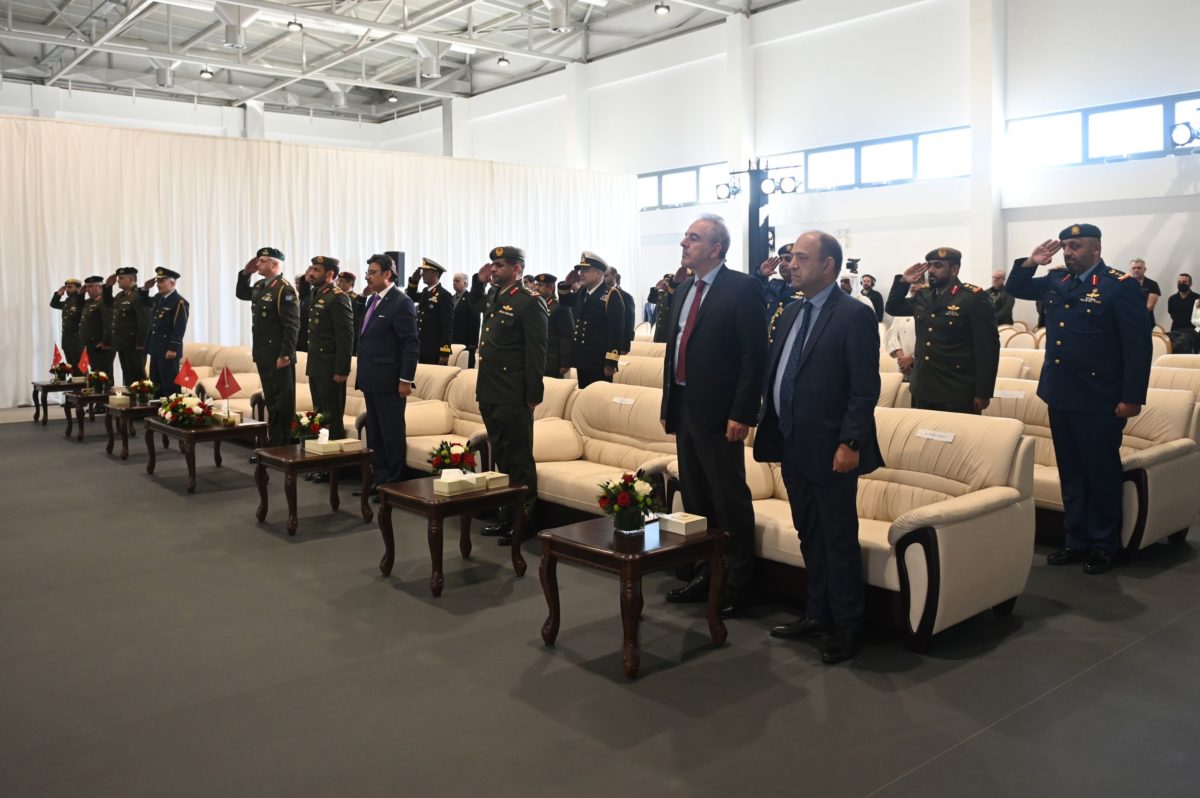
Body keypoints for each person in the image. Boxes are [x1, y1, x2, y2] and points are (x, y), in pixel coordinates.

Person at [756, 231, 882, 664]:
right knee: (809, 533)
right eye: (790, 257)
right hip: (792, 443)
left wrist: (851, 442)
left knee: (837, 538)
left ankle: (847, 625)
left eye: (802, 258)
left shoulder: (853, 314)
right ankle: (817, 613)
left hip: (831, 448)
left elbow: (864, 388)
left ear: (828, 265)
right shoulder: (792, 311)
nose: (791, 265)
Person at [1006, 224, 1151, 574]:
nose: (1069, 252)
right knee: (1070, 471)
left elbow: (1137, 347)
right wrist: (1032, 262)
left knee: (1100, 472)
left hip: (1100, 397)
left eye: (1076, 246)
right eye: (1066, 246)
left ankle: (1104, 543)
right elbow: (1015, 288)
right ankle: (1076, 539)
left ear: (1096, 249)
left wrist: (1131, 397)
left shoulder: (1119, 286)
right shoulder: (1057, 280)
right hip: (1060, 392)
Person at [661, 214, 767, 618]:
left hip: (722, 413)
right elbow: (675, 349)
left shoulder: (742, 287)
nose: (684, 244)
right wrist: (669, 405)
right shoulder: (684, 289)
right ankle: (707, 573)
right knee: (697, 497)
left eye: (693, 238)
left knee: (728, 498)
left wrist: (743, 412)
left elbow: (754, 355)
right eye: (685, 237)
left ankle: (739, 584)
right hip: (685, 406)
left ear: (716, 248)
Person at [470, 247, 548, 545]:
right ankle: (505, 516)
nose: (493, 269)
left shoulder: (529, 302)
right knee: (501, 457)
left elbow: (536, 352)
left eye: (500, 265)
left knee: (519, 459)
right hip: (490, 389)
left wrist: (533, 394)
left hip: (514, 392)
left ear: (517, 269)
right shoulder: (494, 295)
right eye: (493, 264)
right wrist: (477, 283)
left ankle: (523, 521)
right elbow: (472, 306)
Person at [885, 247, 999, 414]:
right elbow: (893, 308)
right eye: (930, 265)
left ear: (954, 270)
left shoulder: (973, 298)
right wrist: (903, 281)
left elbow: (987, 349)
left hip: (956, 389)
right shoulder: (923, 295)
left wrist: (983, 393)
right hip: (922, 386)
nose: (931, 270)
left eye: (937, 266)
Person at [356, 253, 420, 492]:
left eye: (372, 272)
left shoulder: (401, 302)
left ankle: (394, 482)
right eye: (367, 272)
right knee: (375, 433)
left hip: (390, 380)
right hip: (371, 378)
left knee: (391, 433)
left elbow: (410, 343)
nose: (367, 277)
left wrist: (405, 379)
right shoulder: (372, 300)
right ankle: (380, 479)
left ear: (387, 274)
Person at [236, 247, 300, 448]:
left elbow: (292, 326)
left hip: (279, 354)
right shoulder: (260, 285)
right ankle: (274, 441)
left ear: (274, 264)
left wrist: (286, 355)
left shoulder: (284, 289)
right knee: (271, 400)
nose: (258, 265)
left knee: (283, 401)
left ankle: (284, 443)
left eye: (262, 261)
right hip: (263, 352)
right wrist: (245, 274)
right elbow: (241, 293)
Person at [303, 255, 353, 448]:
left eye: (317, 270)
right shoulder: (317, 293)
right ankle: (320, 453)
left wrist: (342, 369)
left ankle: (335, 458)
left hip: (331, 366)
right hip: (316, 363)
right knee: (319, 413)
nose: (312, 273)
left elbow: (345, 337)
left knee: (332, 415)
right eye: (311, 269)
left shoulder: (338, 297)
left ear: (330, 274)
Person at [561, 252, 625, 388]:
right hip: (582, 358)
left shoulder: (611, 295)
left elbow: (615, 332)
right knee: (584, 395)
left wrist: (611, 362)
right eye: (581, 270)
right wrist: (566, 284)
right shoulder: (582, 292)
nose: (581, 274)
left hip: (599, 360)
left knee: (599, 396)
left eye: (585, 270)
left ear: (598, 273)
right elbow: (565, 301)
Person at [140, 268, 189, 397]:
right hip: (155, 347)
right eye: (158, 281)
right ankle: (158, 409)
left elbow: (180, 328)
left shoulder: (179, 302)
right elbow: (144, 302)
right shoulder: (159, 298)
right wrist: (145, 288)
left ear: (172, 283)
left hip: (168, 350)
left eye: (162, 281)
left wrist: (173, 348)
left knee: (169, 385)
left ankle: (172, 409)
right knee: (155, 384)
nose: (158, 284)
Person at [103, 267, 149, 385]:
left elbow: (144, 321)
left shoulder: (139, 295)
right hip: (122, 343)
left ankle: (139, 397)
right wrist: (108, 287)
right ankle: (130, 396)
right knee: (127, 375)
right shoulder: (120, 295)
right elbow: (108, 304)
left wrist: (141, 343)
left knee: (137, 376)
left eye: (121, 278)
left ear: (131, 279)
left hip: (134, 344)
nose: (118, 280)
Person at [406, 258, 453, 365]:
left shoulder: (444, 295)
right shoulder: (425, 292)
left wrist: (444, 351)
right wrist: (414, 281)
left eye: (425, 271)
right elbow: (410, 298)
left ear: (435, 273)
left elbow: (447, 326)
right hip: (421, 345)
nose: (422, 274)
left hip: (434, 348)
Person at [755, 243, 801, 344]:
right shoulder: (773, 286)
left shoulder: (807, 291)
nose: (782, 263)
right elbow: (750, 295)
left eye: (788, 259)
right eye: (780, 259)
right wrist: (760, 275)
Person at [533, 273, 573, 377]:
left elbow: (566, 336)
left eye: (540, 285)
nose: (536, 288)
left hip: (552, 359)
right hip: (537, 356)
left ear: (550, 288)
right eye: (536, 284)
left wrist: (564, 363)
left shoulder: (560, 306)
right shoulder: (536, 304)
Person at [885, 278, 922, 380]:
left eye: (918, 283)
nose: (913, 286)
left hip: (921, 363)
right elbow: (892, 334)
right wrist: (900, 356)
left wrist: (912, 358)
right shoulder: (903, 308)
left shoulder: (930, 308)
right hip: (903, 365)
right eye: (912, 283)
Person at [78, 276, 113, 377]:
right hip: (90, 345)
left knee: (103, 374)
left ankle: (106, 389)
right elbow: (78, 307)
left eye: (90, 286)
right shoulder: (89, 302)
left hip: (100, 345)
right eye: (86, 287)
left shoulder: (104, 301)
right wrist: (80, 294)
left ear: (100, 287)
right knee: (95, 373)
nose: (87, 289)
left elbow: (109, 322)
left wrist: (105, 342)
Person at [50, 278, 85, 374]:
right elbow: (53, 304)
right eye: (67, 287)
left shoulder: (80, 301)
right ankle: (74, 382)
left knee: (80, 366)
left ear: (78, 288)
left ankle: (82, 382)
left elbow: (80, 299)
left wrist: (81, 293)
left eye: (70, 287)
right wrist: (58, 294)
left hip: (77, 339)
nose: (67, 289)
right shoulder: (67, 302)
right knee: (71, 365)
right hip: (66, 339)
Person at [450, 271, 481, 368]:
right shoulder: (450, 298)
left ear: (465, 283)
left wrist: (473, 342)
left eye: (457, 281)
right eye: (453, 281)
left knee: (466, 366)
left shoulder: (471, 298)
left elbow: (476, 321)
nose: (454, 283)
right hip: (452, 338)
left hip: (466, 340)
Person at [604, 267, 636, 354]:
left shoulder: (626, 297)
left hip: (618, 344)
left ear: (614, 275)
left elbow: (629, 322)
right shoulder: (600, 294)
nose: (603, 278)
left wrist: (625, 346)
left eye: (606, 275)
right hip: (602, 343)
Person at [1128, 258, 1160, 330]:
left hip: (1146, 322)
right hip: (1128, 322)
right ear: (1130, 270)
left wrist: (1133, 314)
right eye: (1133, 268)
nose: (1136, 270)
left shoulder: (1152, 284)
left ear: (1144, 269)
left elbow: (1150, 306)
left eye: (1139, 268)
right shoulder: (1124, 284)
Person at [647, 273, 678, 343]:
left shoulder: (676, 294)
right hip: (660, 331)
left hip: (669, 331)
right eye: (665, 280)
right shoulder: (660, 294)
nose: (665, 283)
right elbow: (650, 300)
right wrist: (656, 288)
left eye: (668, 281)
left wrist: (670, 288)